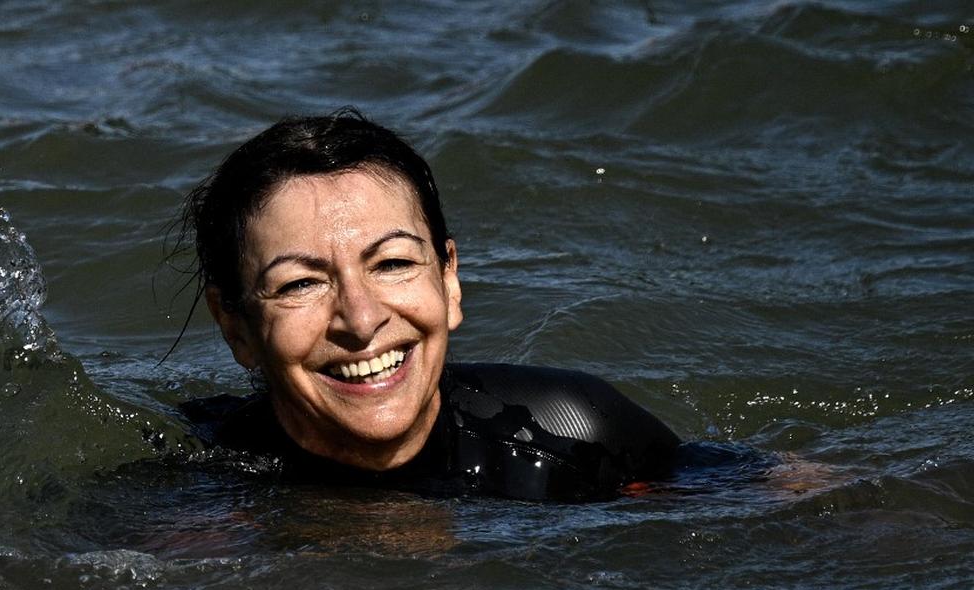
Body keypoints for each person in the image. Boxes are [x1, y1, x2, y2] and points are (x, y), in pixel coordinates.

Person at [172, 108, 681, 502]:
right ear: (235, 327)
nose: (362, 318)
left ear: (449, 280)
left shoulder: (576, 435)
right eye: (301, 284)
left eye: (392, 264)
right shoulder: (195, 494)